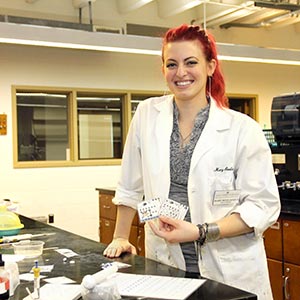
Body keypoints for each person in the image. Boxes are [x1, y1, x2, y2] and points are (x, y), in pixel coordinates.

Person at [103, 24, 280, 300]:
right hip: (167, 265)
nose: (181, 73)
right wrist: (120, 236)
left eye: (191, 62)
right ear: (163, 69)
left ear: (210, 66)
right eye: (171, 64)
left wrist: (199, 232)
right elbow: (129, 183)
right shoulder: (147, 114)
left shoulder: (243, 130)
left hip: (229, 270)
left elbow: (263, 206)